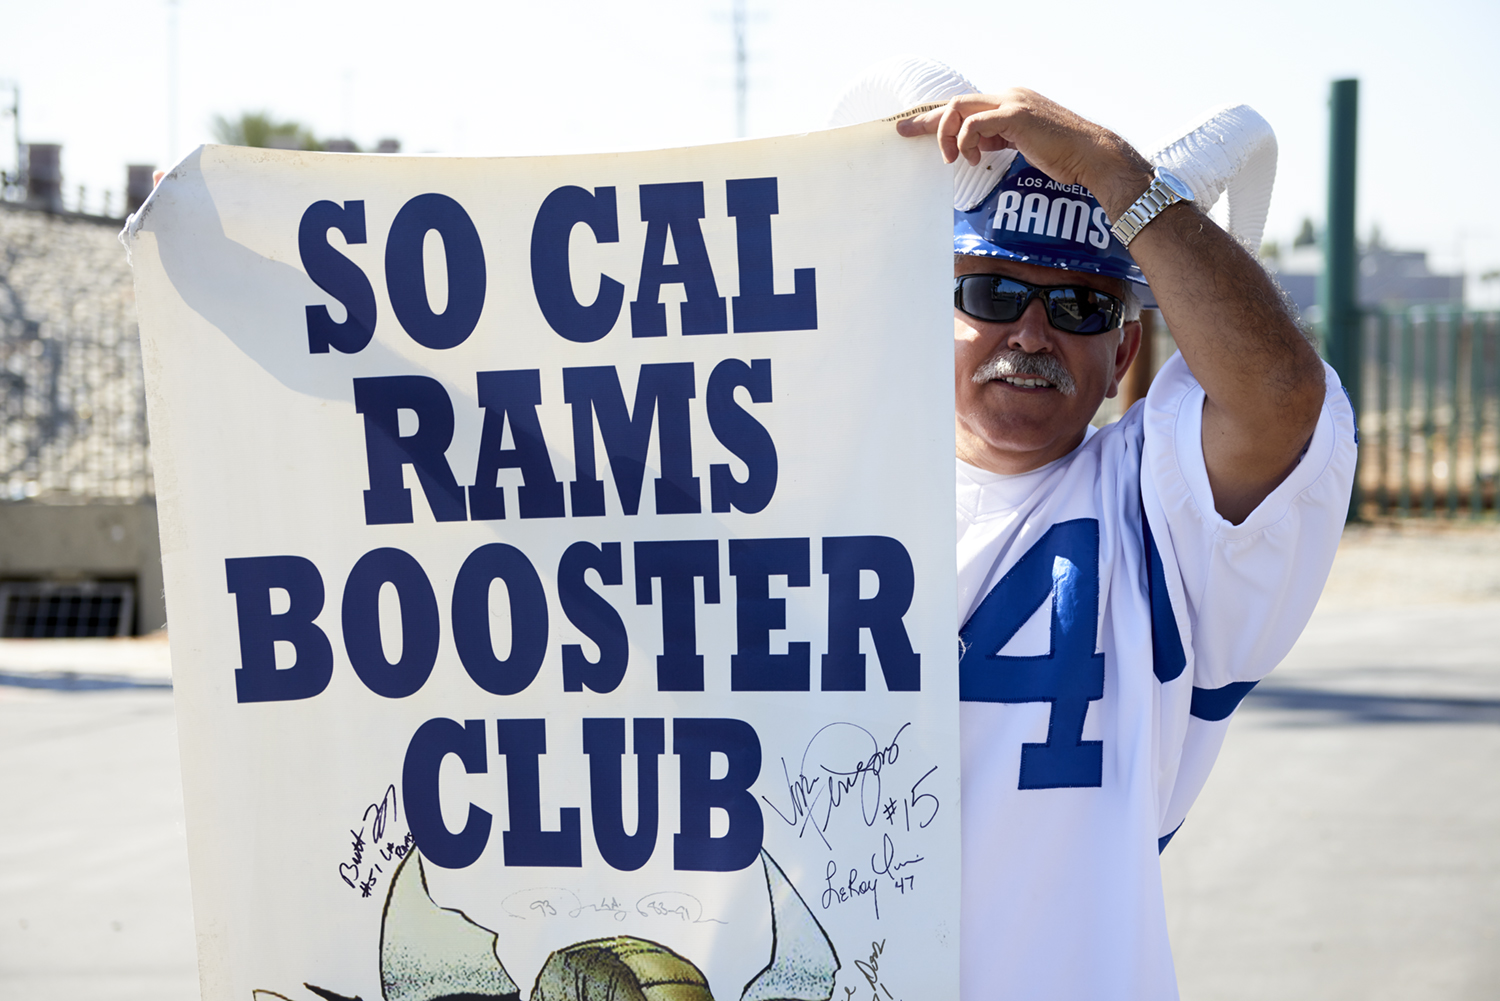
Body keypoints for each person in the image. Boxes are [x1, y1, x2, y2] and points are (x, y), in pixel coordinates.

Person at [831, 60, 1356, 999]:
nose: (1032, 333)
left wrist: (1117, 175)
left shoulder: (1158, 505)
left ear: (1123, 352)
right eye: (991, 293)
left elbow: (1280, 400)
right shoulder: (820, 498)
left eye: (1080, 305)